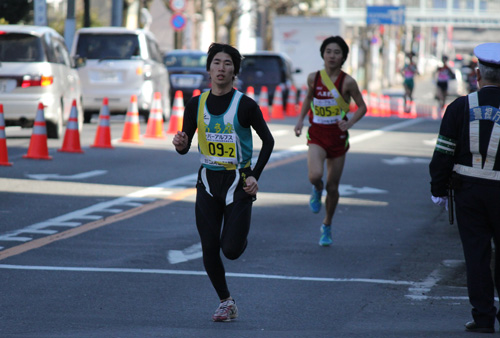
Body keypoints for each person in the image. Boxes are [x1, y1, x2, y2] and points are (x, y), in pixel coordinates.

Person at [172, 43, 274, 322]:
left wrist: (254, 174)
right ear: (208, 69)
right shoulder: (196, 104)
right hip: (207, 179)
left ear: (235, 72)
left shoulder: (246, 105)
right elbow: (185, 144)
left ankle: (238, 236)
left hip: (237, 181)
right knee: (208, 245)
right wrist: (180, 143)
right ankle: (225, 301)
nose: (221, 68)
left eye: (227, 64)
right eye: (216, 62)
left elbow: (268, 141)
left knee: (230, 249)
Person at [429, 42, 500, 334]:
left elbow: (444, 151)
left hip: (468, 191)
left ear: (477, 75)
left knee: (477, 255)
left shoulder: (460, 107)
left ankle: (483, 318)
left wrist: (437, 188)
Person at [294, 36, 367, 247]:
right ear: (323, 54)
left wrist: (350, 122)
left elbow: (362, 106)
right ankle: (316, 189)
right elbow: (308, 98)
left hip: (338, 138)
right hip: (317, 135)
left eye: (337, 52)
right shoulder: (313, 78)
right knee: (315, 175)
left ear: (343, 56)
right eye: (328, 51)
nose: (332, 55)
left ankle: (327, 224)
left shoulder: (348, 82)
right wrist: (300, 120)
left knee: (333, 187)